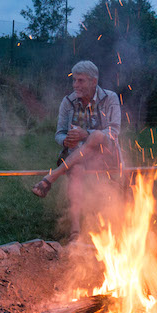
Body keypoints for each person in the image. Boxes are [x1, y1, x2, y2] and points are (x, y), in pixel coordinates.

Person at [31, 60, 122, 240]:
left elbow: (114, 131)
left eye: (80, 81)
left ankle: (51, 177)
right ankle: (75, 231)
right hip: (77, 157)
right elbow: (59, 133)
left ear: (93, 82)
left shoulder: (109, 98)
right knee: (77, 170)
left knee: (96, 136)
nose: (75, 85)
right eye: (74, 80)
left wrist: (85, 134)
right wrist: (65, 140)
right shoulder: (68, 102)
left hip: (106, 155)